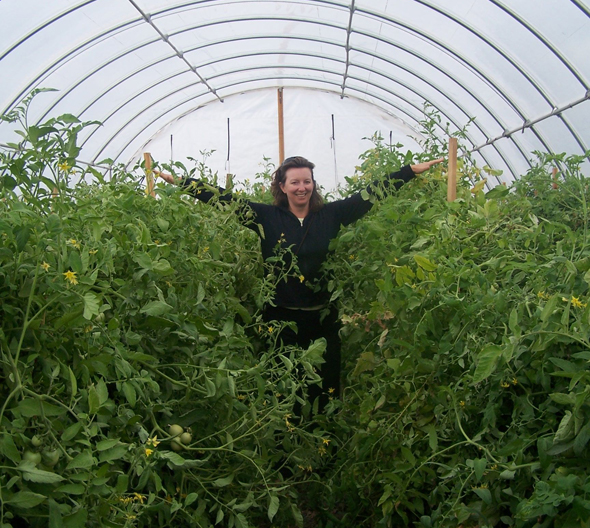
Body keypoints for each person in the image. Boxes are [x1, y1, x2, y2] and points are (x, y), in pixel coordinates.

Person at [156, 156, 443, 414]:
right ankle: (286, 441)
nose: (301, 187)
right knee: (283, 382)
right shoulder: (265, 217)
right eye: (294, 182)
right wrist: (183, 183)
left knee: (326, 384)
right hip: (281, 317)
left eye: (307, 181)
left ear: (313, 185)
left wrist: (409, 171)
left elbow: (367, 196)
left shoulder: (330, 215)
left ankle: (324, 441)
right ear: (282, 186)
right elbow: (225, 200)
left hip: (322, 318)